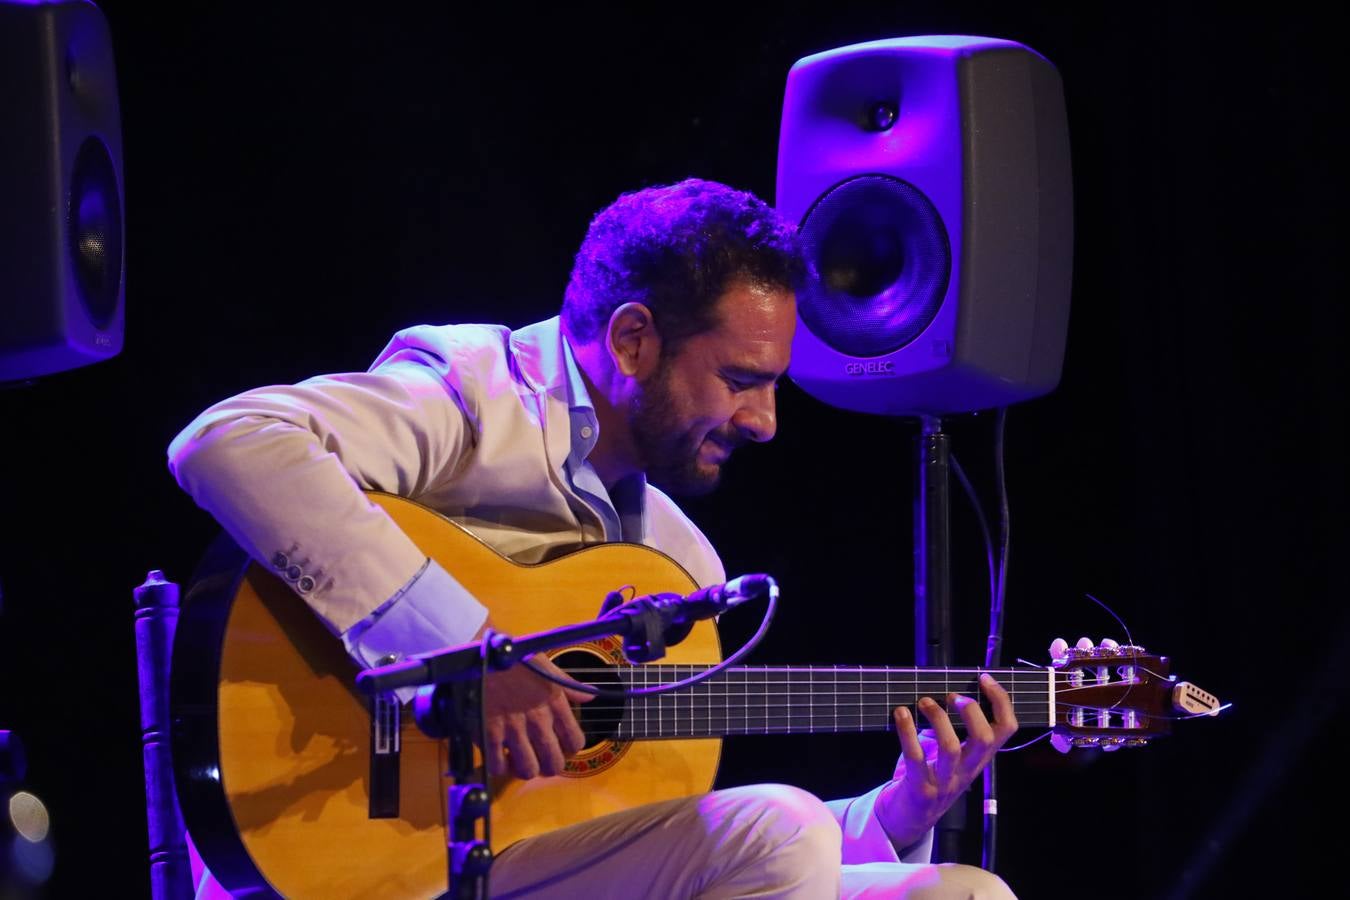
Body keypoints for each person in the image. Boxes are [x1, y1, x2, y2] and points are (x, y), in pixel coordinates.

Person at [168, 178, 1018, 899]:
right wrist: (471, 654)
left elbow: (674, 842)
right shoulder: (476, 398)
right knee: (780, 823)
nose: (764, 422)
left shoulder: (681, 566)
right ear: (633, 340)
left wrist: (899, 810)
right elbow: (229, 442)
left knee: (963, 891)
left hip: (527, 863)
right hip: (352, 853)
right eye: (739, 381)